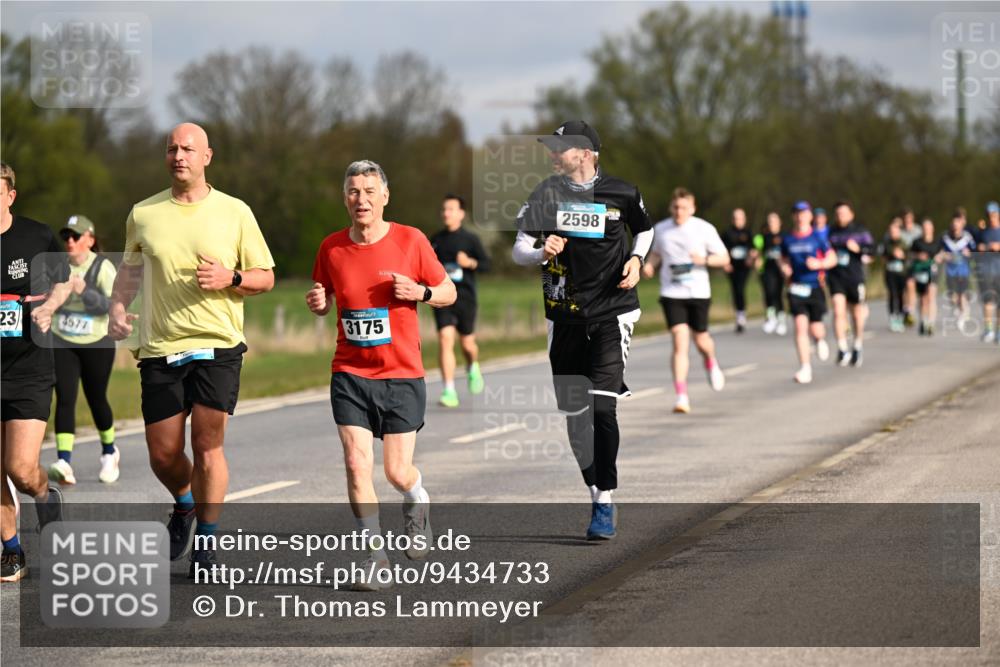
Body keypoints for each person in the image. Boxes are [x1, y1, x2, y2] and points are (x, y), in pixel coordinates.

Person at [108, 123, 275, 576]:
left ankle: (207, 540)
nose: (178, 155)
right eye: (171, 149)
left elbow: (265, 275)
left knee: (207, 445)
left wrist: (232, 278)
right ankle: (184, 504)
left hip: (217, 345)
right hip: (161, 346)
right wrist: (118, 307)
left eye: (188, 149)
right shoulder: (143, 213)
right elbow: (131, 270)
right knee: (162, 454)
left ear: (207, 157)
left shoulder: (235, 212)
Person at [307, 160, 455, 591]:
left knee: (395, 472)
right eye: (354, 191)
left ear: (385, 197)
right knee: (356, 463)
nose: (362, 199)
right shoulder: (331, 248)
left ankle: (416, 497)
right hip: (350, 371)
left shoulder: (411, 240)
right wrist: (318, 301)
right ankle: (375, 559)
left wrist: (421, 292)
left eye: (370, 191)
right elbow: (323, 296)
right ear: (345, 198)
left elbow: (449, 291)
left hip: (402, 374)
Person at [512, 120, 652, 540]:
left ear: (586, 153)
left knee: (603, 408)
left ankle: (605, 500)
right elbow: (519, 248)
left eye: (561, 148)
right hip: (564, 317)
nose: (553, 155)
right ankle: (594, 489)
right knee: (576, 418)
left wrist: (637, 260)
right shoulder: (545, 195)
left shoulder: (622, 192)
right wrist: (540, 251)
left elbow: (644, 228)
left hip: (613, 312)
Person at [1, 163, 68, 582]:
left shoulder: (36, 235)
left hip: (28, 367)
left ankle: (45, 494)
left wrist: (48, 306)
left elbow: (64, 281)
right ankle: (12, 550)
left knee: (20, 469)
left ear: (10, 194)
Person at [46, 215, 120, 486]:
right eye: (66, 236)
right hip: (63, 339)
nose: (70, 241)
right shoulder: (58, 267)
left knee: (96, 398)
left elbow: (111, 307)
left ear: (89, 238)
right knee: (64, 397)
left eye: (75, 236)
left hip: (96, 341)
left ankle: (109, 452)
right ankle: (64, 461)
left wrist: (84, 291)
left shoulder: (102, 267)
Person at [644, 188, 728, 414]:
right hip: (672, 293)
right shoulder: (661, 229)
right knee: (679, 340)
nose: (679, 211)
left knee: (701, 339)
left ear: (692, 208)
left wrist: (705, 259)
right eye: (675, 207)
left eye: (683, 207)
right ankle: (682, 396)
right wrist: (650, 265)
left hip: (698, 292)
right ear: (671, 207)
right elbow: (656, 253)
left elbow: (724, 257)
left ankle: (710, 360)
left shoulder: (704, 228)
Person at [428, 194, 491, 407]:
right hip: (441, 297)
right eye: (444, 209)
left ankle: (472, 365)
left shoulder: (470, 239)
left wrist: (470, 262)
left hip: (465, 297)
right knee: (445, 339)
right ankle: (449, 391)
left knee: (467, 344)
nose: (447, 213)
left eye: (451, 209)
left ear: (461, 214)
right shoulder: (435, 240)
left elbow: (486, 265)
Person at [780, 201, 837, 384]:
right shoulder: (787, 239)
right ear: (793, 216)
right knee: (799, 326)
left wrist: (819, 264)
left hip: (815, 287)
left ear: (810, 216)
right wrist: (785, 268)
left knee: (816, 328)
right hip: (796, 287)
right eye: (797, 213)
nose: (800, 216)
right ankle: (805, 368)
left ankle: (820, 340)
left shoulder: (817, 237)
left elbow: (832, 258)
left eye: (803, 213)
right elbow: (782, 259)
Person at [826, 201, 875, 367]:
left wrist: (858, 249)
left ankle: (857, 345)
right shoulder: (830, 232)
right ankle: (842, 348)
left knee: (856, 313)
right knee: (838, 310)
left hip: (854, 277)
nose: (840, 216)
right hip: (836, 276)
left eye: (843, 213)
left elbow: (872, 251)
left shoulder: (860, 231)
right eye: (838, 213)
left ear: (851, 214)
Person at [940, 212, 976, 331]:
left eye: (958, 223)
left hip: (963, 271)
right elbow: (939, 252)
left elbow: (976, 252)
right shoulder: (945, 238)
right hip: (950, 271)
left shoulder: (967, 238)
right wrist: (944, 256)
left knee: (961, 295)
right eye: (954, 224)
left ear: (962, 225)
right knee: (952, 296)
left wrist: (969, 254)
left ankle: (962, 316)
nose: (955, 226)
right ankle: (960, 309)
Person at [721, 208, 755, 333]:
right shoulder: (727, 233)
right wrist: (725, 263)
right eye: (735, 218)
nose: (738, 221)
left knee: (740, 288)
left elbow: (754, 249)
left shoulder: (748, 232)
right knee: (735, 290)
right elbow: (721, 249)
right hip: (732, 266)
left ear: (744, 219)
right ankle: (739, 314)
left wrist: (751, 258)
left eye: (740, 218)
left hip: (744, 267)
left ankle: (741, 316)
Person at [754, 211, 788, 335]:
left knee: (778, 294)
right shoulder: (763, 237)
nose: (771, 224)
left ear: (779, 222)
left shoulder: (784, 237)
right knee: (768, 292)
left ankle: (782, 319)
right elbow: (758, 252)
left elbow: (787, 253)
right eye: (769, 221)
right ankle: (771, 317)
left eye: (774, 221)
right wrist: (756, 259)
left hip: (780, 270)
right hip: (768, 269)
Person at [909, 218, 941, 336]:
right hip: (920, 271)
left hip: (932, 271)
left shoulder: (937, 242)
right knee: (923, 298)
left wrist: (939, 257)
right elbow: (910, 255)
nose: (926, 230)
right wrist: (918, 256)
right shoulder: (917, 242)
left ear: (932, 229)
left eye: (928, 227)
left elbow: (942, 254)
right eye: (924, 227)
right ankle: (923, 320)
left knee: (931, 296)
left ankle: (931, 323)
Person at [978, 201, 1000, 342]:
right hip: (986, 270)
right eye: (989, 214)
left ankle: (998, 331)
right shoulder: (983, 232)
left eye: (993, 214)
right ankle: (989, 329)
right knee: (988, 300)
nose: (991, 217)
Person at [881, 218, 909, 333]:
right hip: (890, 273)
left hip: (901, 273)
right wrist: (892, 255)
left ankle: (900, 318)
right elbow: (883, 257)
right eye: (891, 232)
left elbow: (909, 257)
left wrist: (903, 256)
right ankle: (892, 318)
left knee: (901, 295)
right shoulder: (886, 243)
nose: (893, 234)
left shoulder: (904, 243)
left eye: (895, 231)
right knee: (892, 295)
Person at [899, 207, 921, 327]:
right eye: (905, 218)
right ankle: (906, 309)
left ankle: (910, 311)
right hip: (902, 265)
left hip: (916, 264)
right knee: (903, 289)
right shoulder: (899, 231)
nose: (907, 220)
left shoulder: (918, 231)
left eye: (909, 218)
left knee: (911, 285)